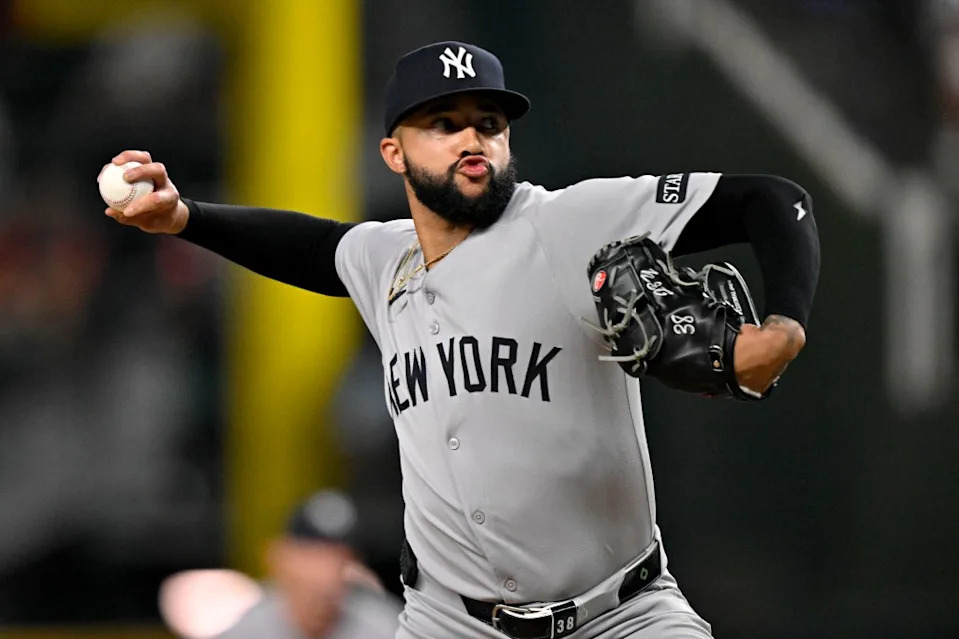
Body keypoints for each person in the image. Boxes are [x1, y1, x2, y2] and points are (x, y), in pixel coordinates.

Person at [102, 41, 819, 638]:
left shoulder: (569, 223)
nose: (472, 138)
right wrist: (185, 217)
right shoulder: (384, 258)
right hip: (449, 621)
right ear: (393, 151)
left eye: (488, 121)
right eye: (443, 123)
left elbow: (774, 199)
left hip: (620, 615)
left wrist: (783, 325)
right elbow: (311, 247)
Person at [159, 490, 401, 639]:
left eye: (336, 557)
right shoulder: (247, 630)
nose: (324, 572)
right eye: (311, 555)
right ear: (280, 557)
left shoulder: (387, 627)